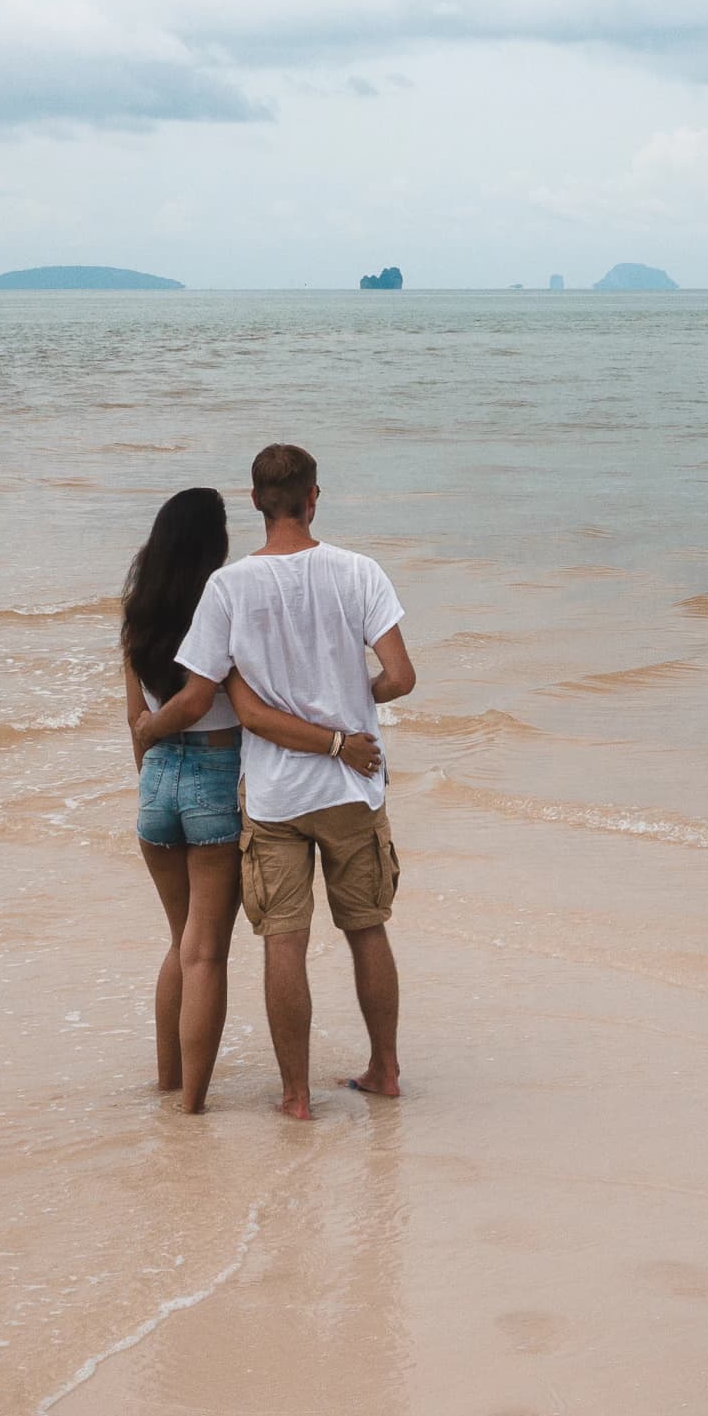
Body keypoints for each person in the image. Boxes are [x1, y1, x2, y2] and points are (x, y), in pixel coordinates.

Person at [173, 441, 417, 1119]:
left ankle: (296, 1096)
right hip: (352, 788)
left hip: (277, 794)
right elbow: (400, 676)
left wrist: (148, 729)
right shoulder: (359, 572)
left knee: (284, 940)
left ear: (254, 502)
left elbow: (210, 695)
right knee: (367, 928)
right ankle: (385, 1070)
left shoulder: (228, 587)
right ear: (314, 498)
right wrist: (354, 701)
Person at [117, 486, 361, 1111]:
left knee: (179, 942)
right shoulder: (220, 600)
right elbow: (218, 702)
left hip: (156, 782)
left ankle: (168, 1082)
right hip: (212, 775)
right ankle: (191, 1105)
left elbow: (134, 722)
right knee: (206, 950)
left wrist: (151, 750)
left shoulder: (136, 613)